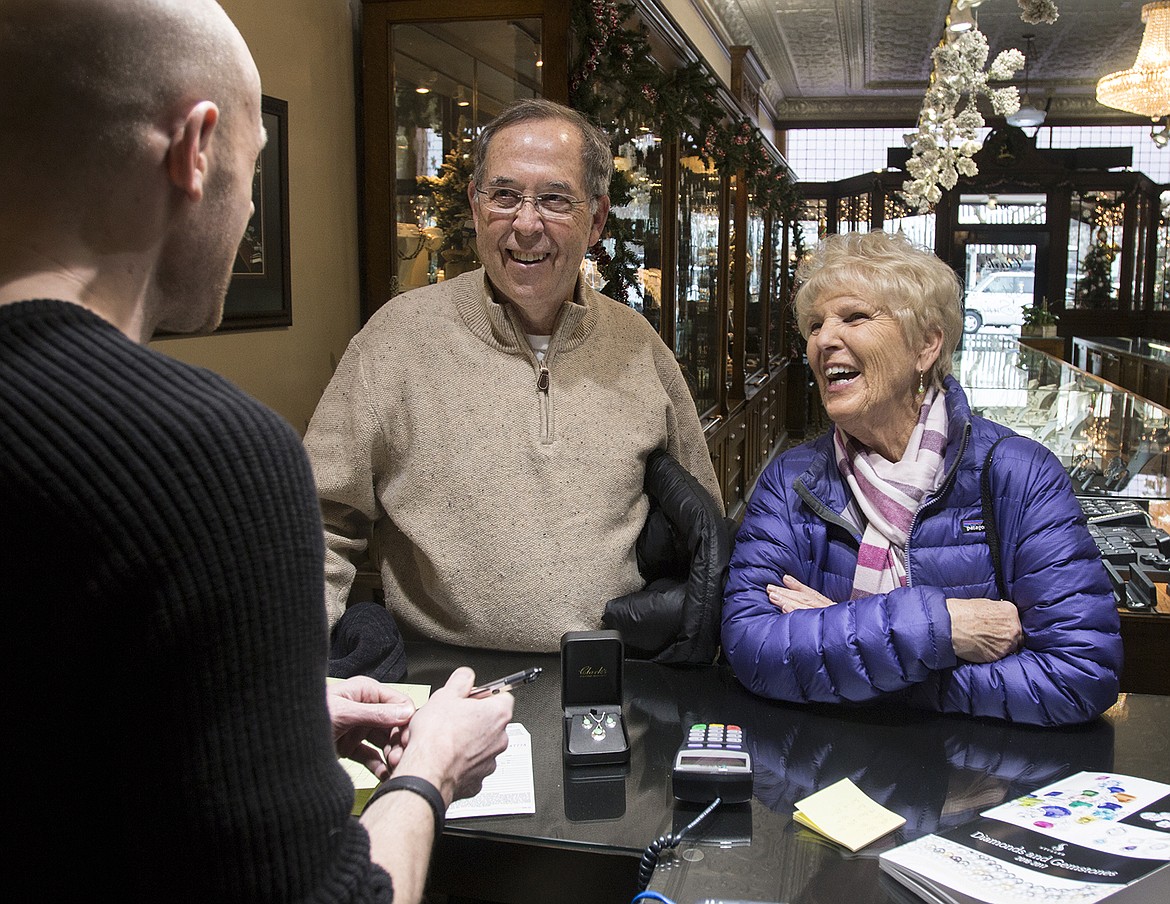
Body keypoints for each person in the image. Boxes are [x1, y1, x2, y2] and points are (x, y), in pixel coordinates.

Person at [0, 2, 511, 902]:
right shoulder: (204, 461)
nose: (245, 208)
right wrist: (428, 773)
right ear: (196, 149)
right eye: (253, 169)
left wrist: (267, 711)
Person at [304, 98, 723, 653]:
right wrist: (297, 668)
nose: (526, 225)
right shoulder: (397, 340)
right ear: (476, 207)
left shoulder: (638, 346)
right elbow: (317, 521)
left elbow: (704, 527)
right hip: (447, 687)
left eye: (554, 200)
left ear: (596, 219)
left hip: (615, 683)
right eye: (504, 197)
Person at [722, 230, 1121, 727]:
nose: (823, 339)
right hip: (825, 789)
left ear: (926, 344)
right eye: (814, 325)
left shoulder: (1020, 475)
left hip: (973, 790)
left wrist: (850, 646)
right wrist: (943, 630)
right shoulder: (791, 480)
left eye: (854, 317)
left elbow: (1079, 674)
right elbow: (750, 647)